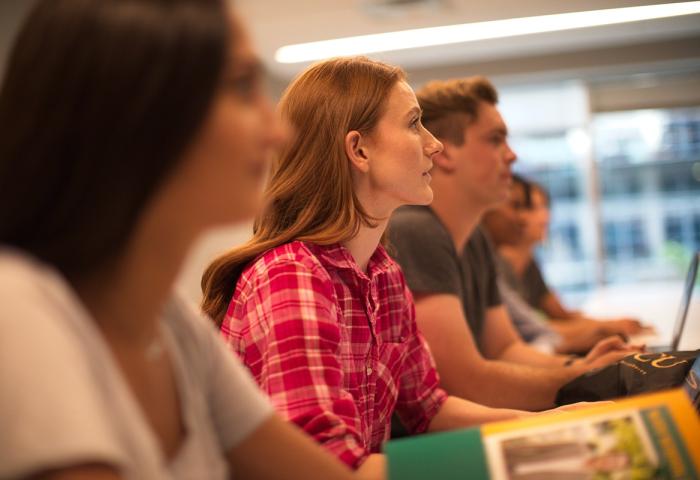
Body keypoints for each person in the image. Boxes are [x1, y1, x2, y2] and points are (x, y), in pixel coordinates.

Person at [0, 1, 356, 478]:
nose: (279, 132)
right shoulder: (18, 308)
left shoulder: (171, 324)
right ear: (136, 110)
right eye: (240, 86)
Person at [201, 57, 533, 478]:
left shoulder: (385, 274)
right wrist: (514, 458)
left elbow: (428, 406)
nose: (434, 145)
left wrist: (541, 428)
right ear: (359, 150)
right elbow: (327, 466)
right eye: (415, 124)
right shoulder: (292, 276)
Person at [388, 77, 641, 412]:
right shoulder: (416, 230)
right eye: (496, 140)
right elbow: (466, 382)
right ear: (445, 152)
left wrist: (579, 369)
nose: (512, 155)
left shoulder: (475, 238)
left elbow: (505, 348)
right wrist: (588, 377)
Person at [483, 175, 622, 354]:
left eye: (544, 207)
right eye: (525, 207)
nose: (544, 216)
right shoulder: (496, 265)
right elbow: (532, 329)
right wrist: (605, 329)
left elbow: (561, 315)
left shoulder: (529, 264)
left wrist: (606, 328)